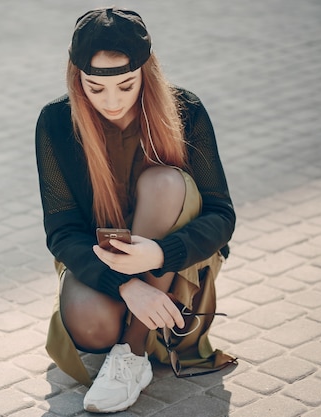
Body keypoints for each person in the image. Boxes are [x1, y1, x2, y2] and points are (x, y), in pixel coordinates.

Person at [35, 7, 236, 414]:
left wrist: (160, 255)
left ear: (146, 72)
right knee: (91, 326)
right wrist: (127, 284)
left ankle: (132, 352)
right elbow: (61, 231)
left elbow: (221, 214)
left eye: (126, 85)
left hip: (176, 261)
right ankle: (132, 322)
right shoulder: (56, 122)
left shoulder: (186, 110)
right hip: (100, 259)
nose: (112, 101)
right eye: (95, 88)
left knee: (163, 182)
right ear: (78, 80)